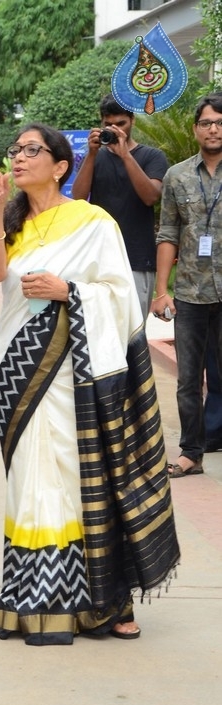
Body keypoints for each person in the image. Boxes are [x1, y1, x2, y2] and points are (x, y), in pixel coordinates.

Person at [0, 123, 179, 646]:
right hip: (18, 370)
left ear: (61, 165)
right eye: (15, 151)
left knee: (83, 475)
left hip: (75, 373)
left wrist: (70, 290)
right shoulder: (13, 220)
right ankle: (35, 598)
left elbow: (120, 296)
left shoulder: (93, 221)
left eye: (31, 150)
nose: (18, 158)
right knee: (31, 480)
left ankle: (106, 600)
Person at [153, 92, 222, 477]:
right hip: (191, 293)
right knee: (189, 379)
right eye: (207, 123)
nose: (214, 129)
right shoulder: (177, 175)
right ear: (196, 130)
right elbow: (168, 232)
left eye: (220, 122)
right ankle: (190, 453)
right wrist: (161, 291)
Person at [72, 94, 168, 321]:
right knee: (98, 330)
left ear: (132, 120)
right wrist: (93, 153)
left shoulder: (152, 156)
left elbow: (150, 197)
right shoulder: (95, 156)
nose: (115, 130)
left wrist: (125, 155)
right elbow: (78, 197)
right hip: (98, 258)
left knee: (133, 334)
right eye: (108, 125)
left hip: (137, 258)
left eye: (121, 124)